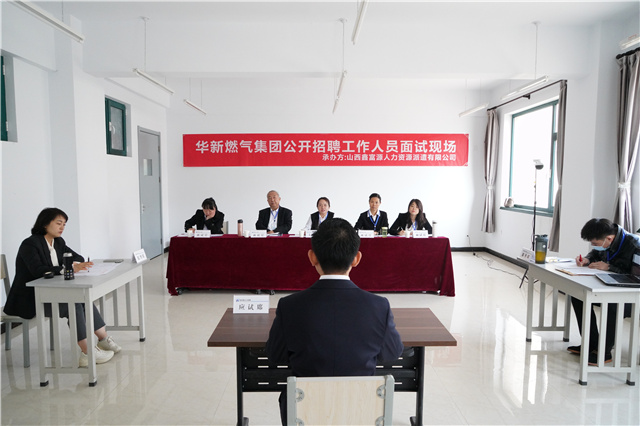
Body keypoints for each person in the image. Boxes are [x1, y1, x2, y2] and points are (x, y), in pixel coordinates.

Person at [266, 218, 404, 425]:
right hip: (361, 413)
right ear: (356, 259)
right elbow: (392, 353)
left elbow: (275, 355)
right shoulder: (379, 307)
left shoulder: (289, 306)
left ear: (312, 257)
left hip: (305, 415)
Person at [3, 208, 121, 367]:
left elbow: (77, 257)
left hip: (51, 294)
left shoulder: (58, 242)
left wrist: (75, 264)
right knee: (74, 304)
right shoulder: (30, 244)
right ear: (45, 224)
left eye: (64, 224)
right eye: (59, 223)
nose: (62, 227)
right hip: (30, 298)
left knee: (83, 299)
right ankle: (87, 353)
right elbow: (38, 270)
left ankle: (103, 339)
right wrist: (67, 268)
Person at [570, 218, 640, 365]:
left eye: (595, 243)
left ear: (609, 239)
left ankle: (604, 352)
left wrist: (609, 267)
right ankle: (591, 344)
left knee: (612, 304)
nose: (594, 246)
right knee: (578, 296)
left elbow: (636, 278)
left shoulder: (635, 245)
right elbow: (595, 253)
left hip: (633, 296)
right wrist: (587, 259)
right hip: (612, 288)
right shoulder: (605, 240)